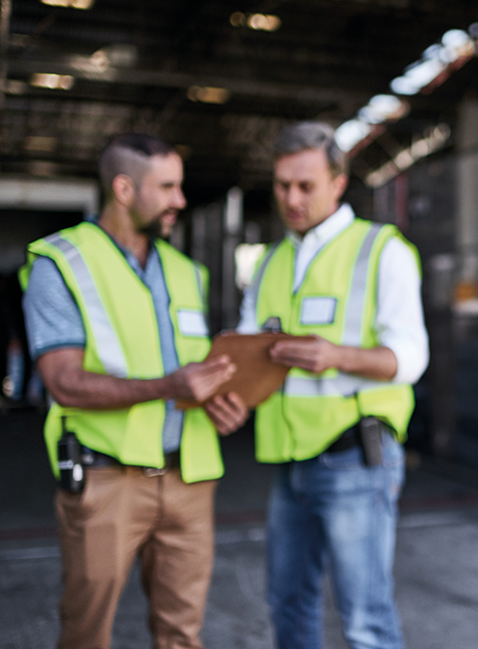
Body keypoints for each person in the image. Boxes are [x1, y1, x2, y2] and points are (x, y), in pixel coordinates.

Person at [20, 132, 249, 649]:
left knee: (182, 636)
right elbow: (63, 381)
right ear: (124, 188)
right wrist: (170, 386)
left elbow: (194, 372)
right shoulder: (60, 264)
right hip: (107, 482)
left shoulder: (187, 272)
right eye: (167, 187)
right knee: (86, 635)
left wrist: (221, 403)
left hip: (189, 480)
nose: (180, 201)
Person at [237, 121, 429, 649]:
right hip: (288, 459)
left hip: (354, 457)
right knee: (287, 604)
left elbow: (410, 358)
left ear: (339, 183)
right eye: (281, 186)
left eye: (305, 186)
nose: (291, 198)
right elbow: (250, 354)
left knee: (365, 618)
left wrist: (334, 356)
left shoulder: (381, 250)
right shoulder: (270, 262)